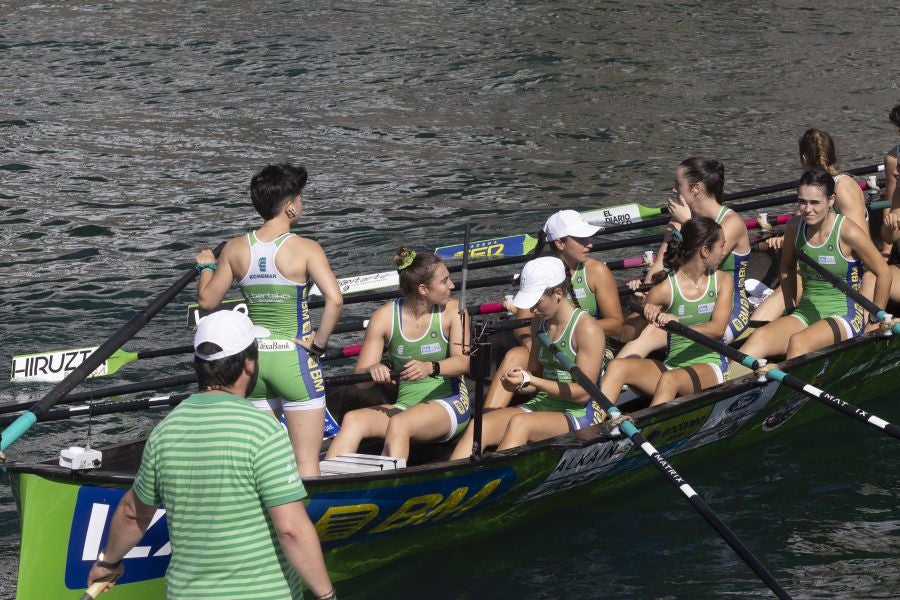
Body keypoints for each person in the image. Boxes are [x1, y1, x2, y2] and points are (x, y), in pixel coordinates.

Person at [87, 310, 334, 600]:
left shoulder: (165, 431)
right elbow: (291, 530)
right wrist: (326, 595)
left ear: (197, 365)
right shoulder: (263, 431)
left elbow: (133, 514)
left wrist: (108, 563)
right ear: (250, 363)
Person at [196, 163, 343, 477]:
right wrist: (318, 345)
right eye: (300, 198)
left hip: (255, 362)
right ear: (290, 206)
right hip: (294, 359)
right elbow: (335, 299)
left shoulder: (235, 248)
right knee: (306, 462)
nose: (302, 203)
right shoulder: (306, 248)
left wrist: (206, 267)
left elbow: (207, 301)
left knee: (263, 465)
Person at [450, 256, 606, 459]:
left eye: (537, 302)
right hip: (544, 403)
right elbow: (535, 376)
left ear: (558, 294)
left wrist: (532, 380)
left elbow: (583, 394)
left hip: (580, 413)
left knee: (520, 423)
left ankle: (496, 476)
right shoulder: (538, 323)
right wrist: (520, 382)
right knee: (480, 424)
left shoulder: (587, 329)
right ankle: (451, 476)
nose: (532, 310)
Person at [325, 247, 470, 461]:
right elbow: (361, 381)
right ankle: (329, 479)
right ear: (423, 289)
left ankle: (390, 478)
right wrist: (372, 370)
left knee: (400, 423)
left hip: (450, 403)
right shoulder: (384, 317)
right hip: (405, 406)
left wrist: (430, 367)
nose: (452, 285)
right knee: (353, 419)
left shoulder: (455, 312)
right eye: (444, 281)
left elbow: (464, 363)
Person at [740, 170, 891, 361]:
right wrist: (790, 308)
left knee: (799, 342)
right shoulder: (794, 227)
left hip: (845, 316)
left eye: (815, 202)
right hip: (806, 311)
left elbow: (883, 273)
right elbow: (787, 269)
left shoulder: (848, 231)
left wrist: (875, 320)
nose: (807, 209)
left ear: (831, 200)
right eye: (802, 202)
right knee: (759, 337)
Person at [483, 210, 623, 410]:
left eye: (588, 237)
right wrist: (534, 346)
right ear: (560, 243)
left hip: (589, 347)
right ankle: (488, 417)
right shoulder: (538, 272)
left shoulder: (597, 271)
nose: (590, 244)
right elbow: (522, 325)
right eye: (581, 239)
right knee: (516, 354)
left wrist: (573, 332)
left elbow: (616, 323)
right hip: (549, 346)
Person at [620, 157, 750, 356]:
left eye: (678, 184)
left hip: (729, 307)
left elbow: (701, 266)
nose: (674, 189)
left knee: (653, 334)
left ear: (696, 188)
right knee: (636, 328)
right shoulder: (677, 221)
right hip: (686, 298)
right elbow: (660, 265)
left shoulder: (731, 223)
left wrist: (688, 223)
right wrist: (646, 297)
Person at [601, 217, 732, 407]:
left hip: (712, 366)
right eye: (721, 246)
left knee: (670, 379)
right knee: (617, 366)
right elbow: (625, 335)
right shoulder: (664, 288)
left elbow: (717, 329)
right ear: (705, 250)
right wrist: (643, 314)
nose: (724, 251)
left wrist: (675, 328)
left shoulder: (722, 281)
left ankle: (649, 426)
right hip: (672, 367)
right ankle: (592, 423)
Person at [753, 129, 869, 322]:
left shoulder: (842, 188)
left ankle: (769, 321)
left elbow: (863, 245)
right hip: (818, 266)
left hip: (849, 275)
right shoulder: (813, 190)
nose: (808, 207)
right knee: (792, 273)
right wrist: (785, 239)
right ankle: (771, 322)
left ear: (804, 158)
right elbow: (801, 230)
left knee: (792, 277)